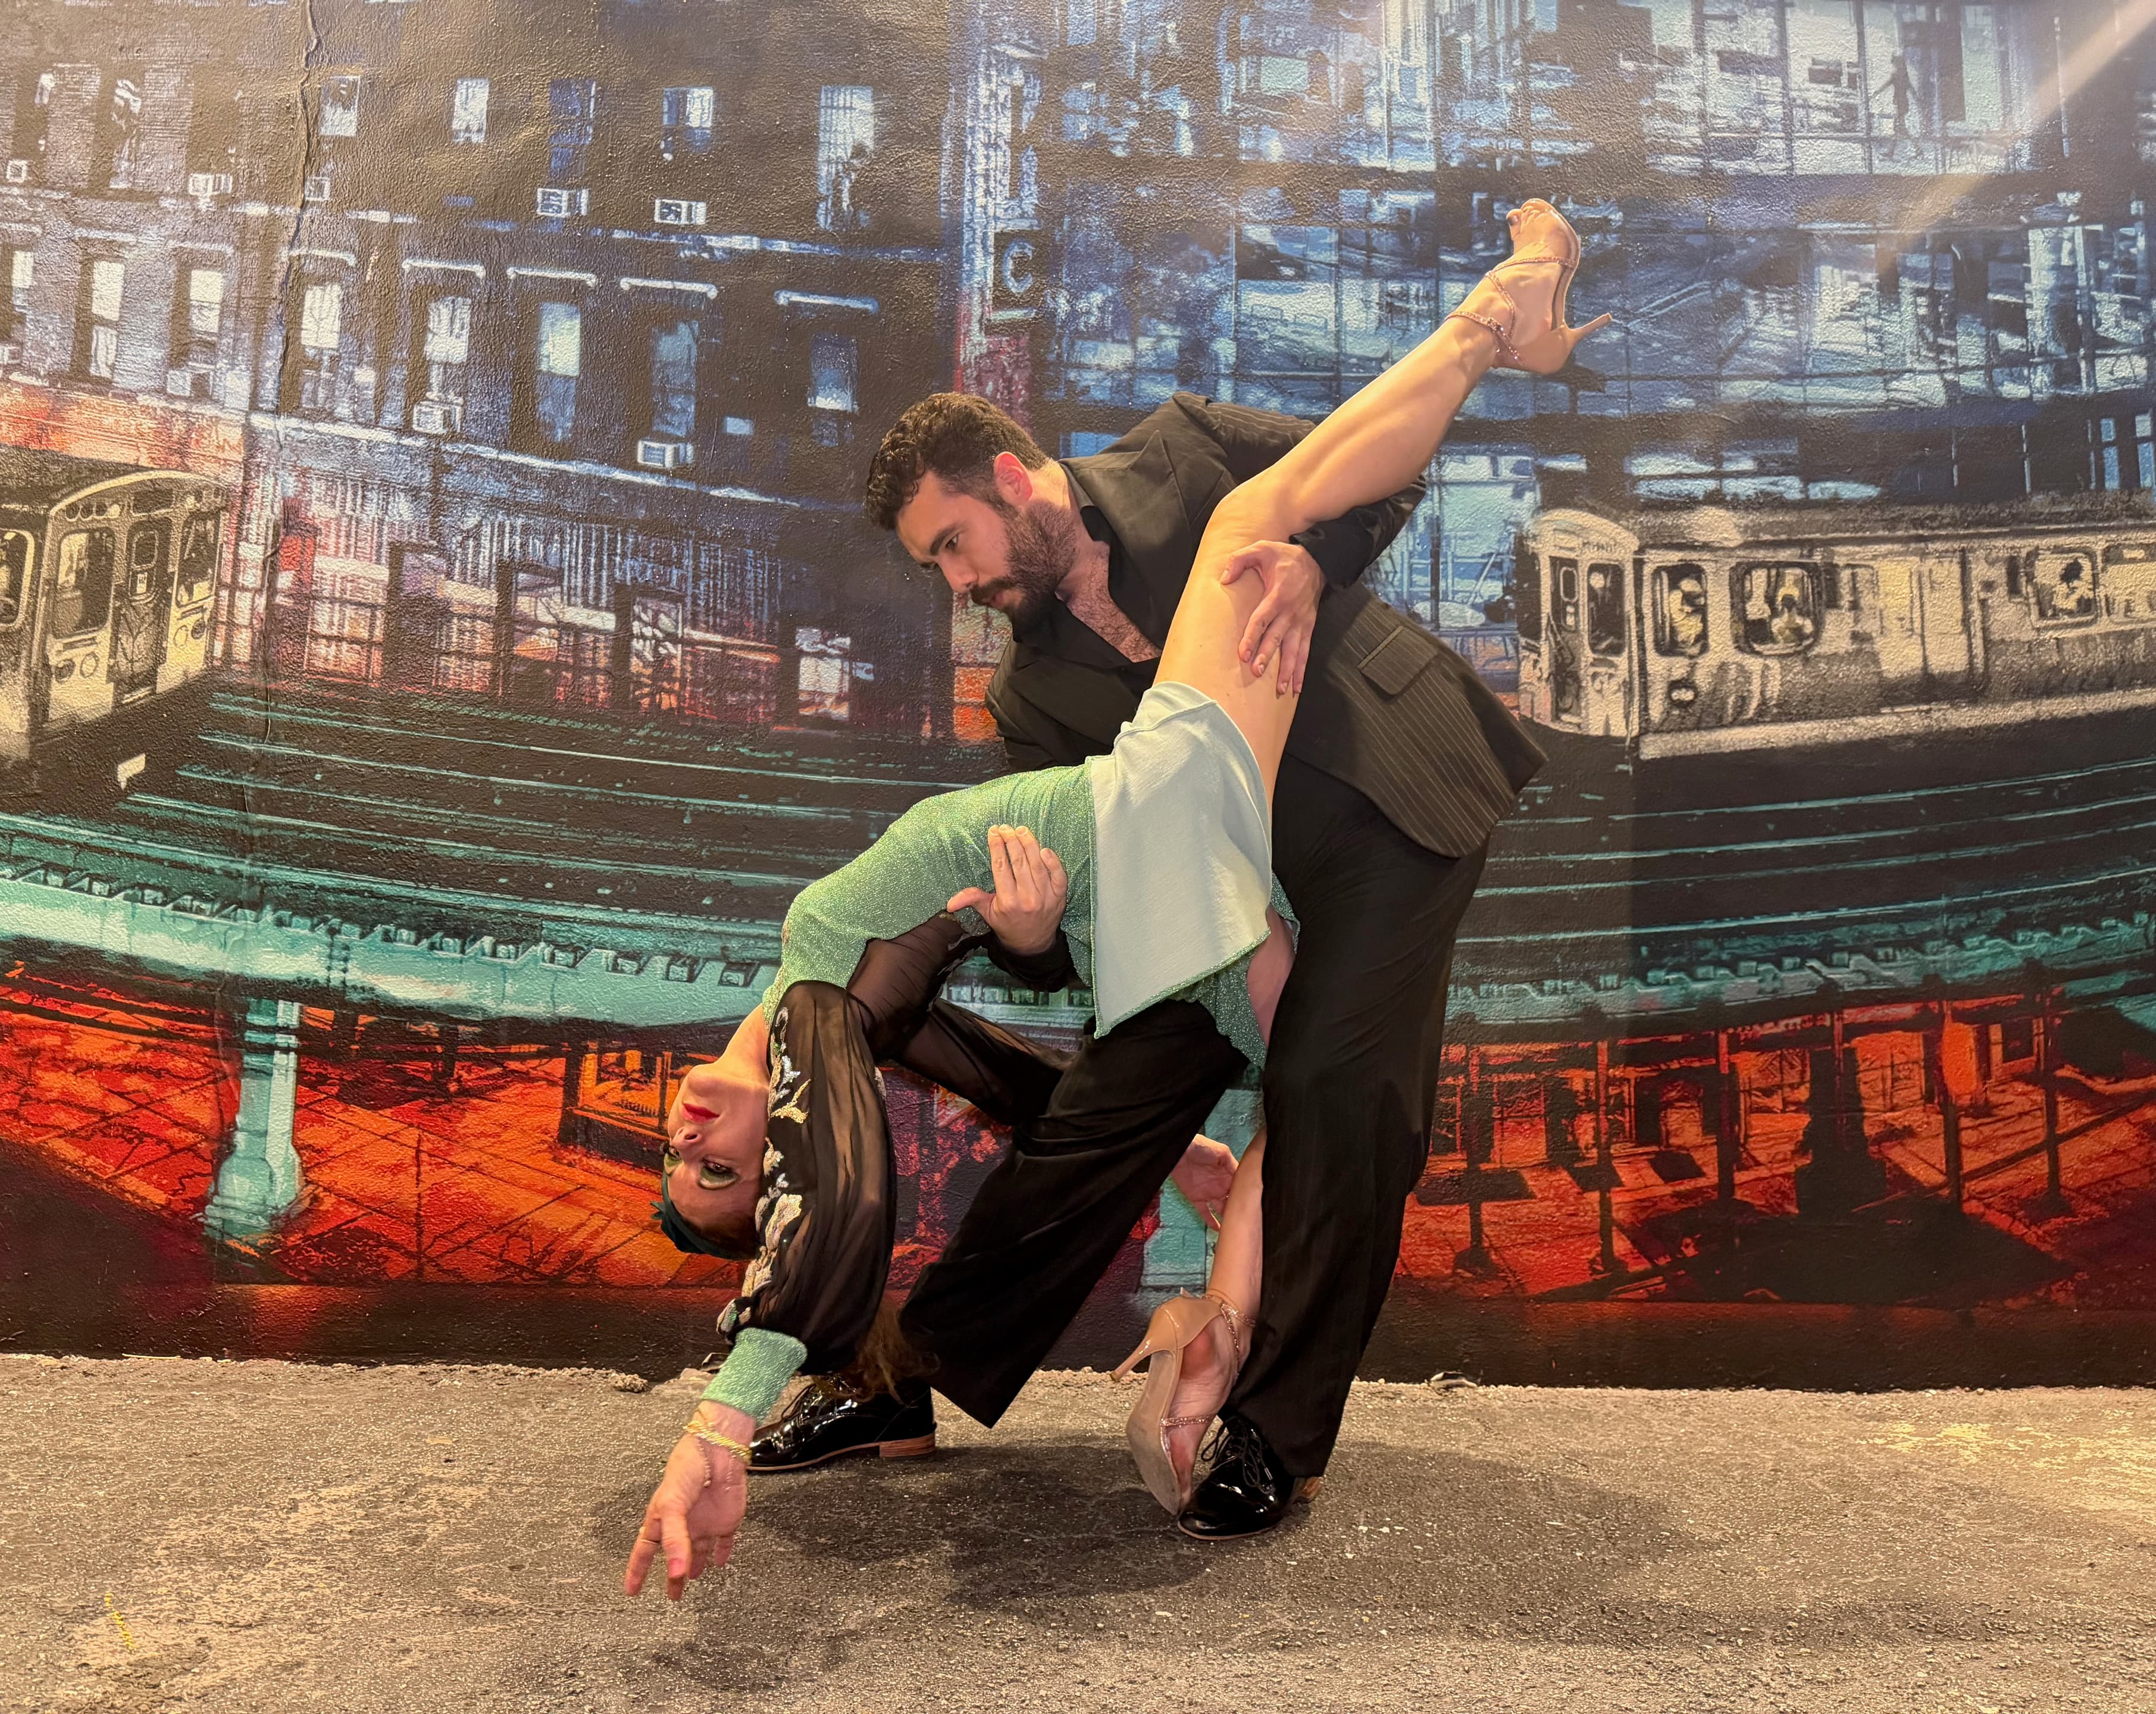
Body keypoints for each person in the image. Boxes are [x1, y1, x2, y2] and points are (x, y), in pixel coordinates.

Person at [624, 199, 1606, 1599]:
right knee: (1135, 1107)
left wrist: (1315, 572)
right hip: (1200, 876)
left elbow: (1354, 487)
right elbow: (1023, 966)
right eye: (937, 573)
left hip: (1378, 796)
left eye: (955, 547)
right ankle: (918, 1383)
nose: (961, 589)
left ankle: (1275, 1427)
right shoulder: (1026, 700)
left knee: (1336, 1085)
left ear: (1017, 481)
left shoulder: (1183, 455)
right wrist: (1029, 942)